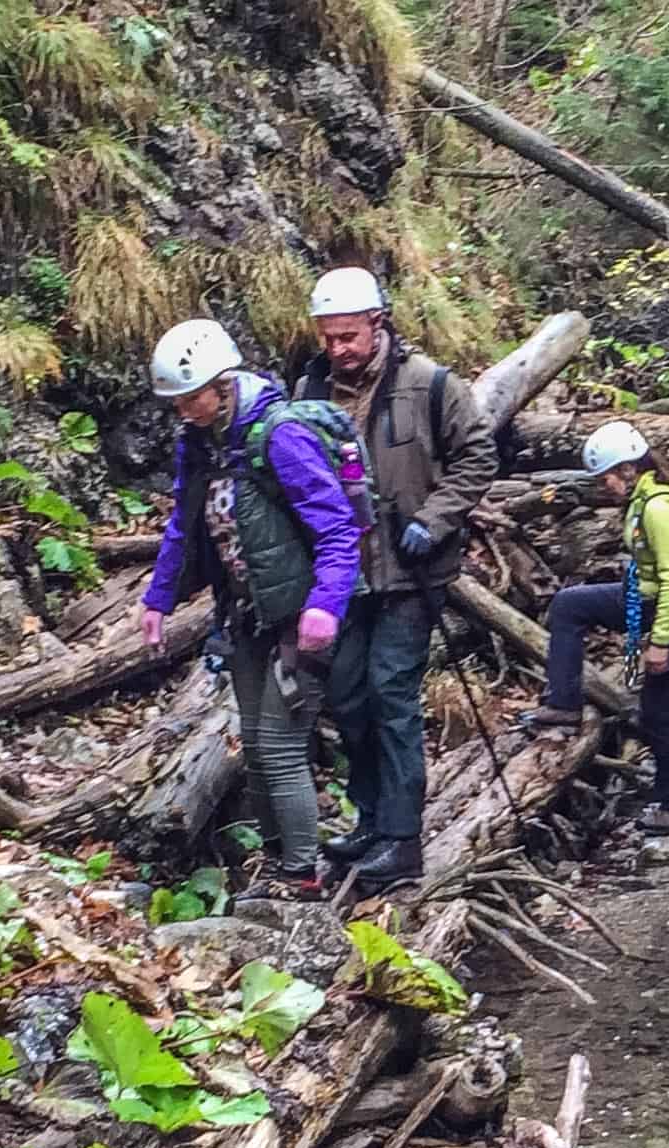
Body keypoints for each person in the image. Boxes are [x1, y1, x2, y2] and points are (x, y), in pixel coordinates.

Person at [140, 319, 360, 900]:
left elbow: (338, 528)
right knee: (257, 748)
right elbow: (182, 526)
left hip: (298, 617)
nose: (183, 410)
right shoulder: (199, 442)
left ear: (223, 382)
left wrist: (326, 606)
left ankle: (303, 875)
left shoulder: (280, 436)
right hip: (244, 614)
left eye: (191, 397)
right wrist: (158, 599)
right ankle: (273, 863)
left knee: (283, 747)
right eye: (177, 402)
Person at [299, 267, 499, 889]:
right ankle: (370, 819)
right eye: (330, 337)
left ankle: (403, 840)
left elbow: (479, 455)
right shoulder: (308, 388)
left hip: (413, 573)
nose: (339, 349)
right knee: (349, 697)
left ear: (379, 324)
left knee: (391, 694)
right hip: (341, 575)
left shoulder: (432, 385)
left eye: (350, 336)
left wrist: (435, 520)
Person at [521, 422, 669, 835]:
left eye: (607, 475)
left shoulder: (658, 507)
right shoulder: (643, 499)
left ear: (627, 468)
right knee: (570, 605)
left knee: (659, 712)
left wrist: (658, 643)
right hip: (648, 597)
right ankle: (564, 703)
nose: (605, 486)